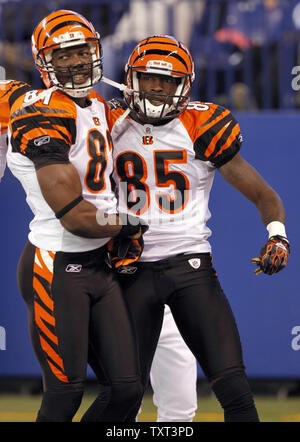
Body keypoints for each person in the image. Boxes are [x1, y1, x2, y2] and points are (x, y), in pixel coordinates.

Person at [105, 35, 290, 422]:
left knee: (235, 392)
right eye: (150, 77)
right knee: (121, 399)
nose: (157, 87)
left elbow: (264, 193)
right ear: (131, 79)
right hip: (127, 271)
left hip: (190, 270)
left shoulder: (202, 123)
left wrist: (278, 234)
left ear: (185, 85)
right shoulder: (106, 121)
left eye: (168, 80)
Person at [2, 10, 147, 422]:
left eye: (83, 51)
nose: (78, 62)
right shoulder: (42, 111)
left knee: (126, 391)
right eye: (63, 56)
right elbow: (75, 217)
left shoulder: (97, 103)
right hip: (56, 264)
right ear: (44, 62)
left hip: (97, 263)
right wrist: (128, 225)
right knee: (65, 393)